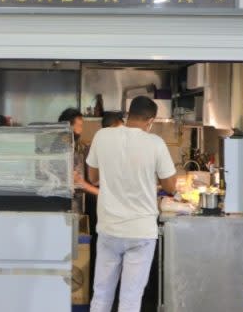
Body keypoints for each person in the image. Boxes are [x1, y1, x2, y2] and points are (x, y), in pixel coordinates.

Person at [86, 96, 177, 312]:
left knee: (101, 295)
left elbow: (93, 176)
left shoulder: (102, 136)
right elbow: (171, 187)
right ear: (150, 121)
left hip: (109, 229)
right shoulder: (155, 143)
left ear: (128, 114)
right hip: (141, 232)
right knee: (130, 299)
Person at [74, 112, 123, 196]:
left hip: (104, 195)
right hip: (99, 195)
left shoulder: (99, 144)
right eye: (121, 129)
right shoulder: (97, 146)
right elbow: (93, 180)